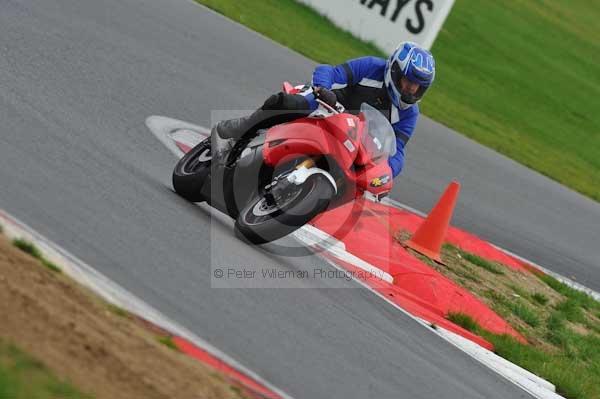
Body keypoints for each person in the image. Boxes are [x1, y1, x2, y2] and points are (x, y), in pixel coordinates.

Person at [211, 41, 435, 178]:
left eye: (418, 87)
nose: (411, 90)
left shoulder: (409, 114)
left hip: (353, 143)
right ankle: (241, 130)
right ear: (394, 71)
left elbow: (397, 150)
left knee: (353, 182)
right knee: (290, 103)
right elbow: (330, 71)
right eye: (408, 82)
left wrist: (387, 173)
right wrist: (323, 89)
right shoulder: (371, 67)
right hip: (327, 109)